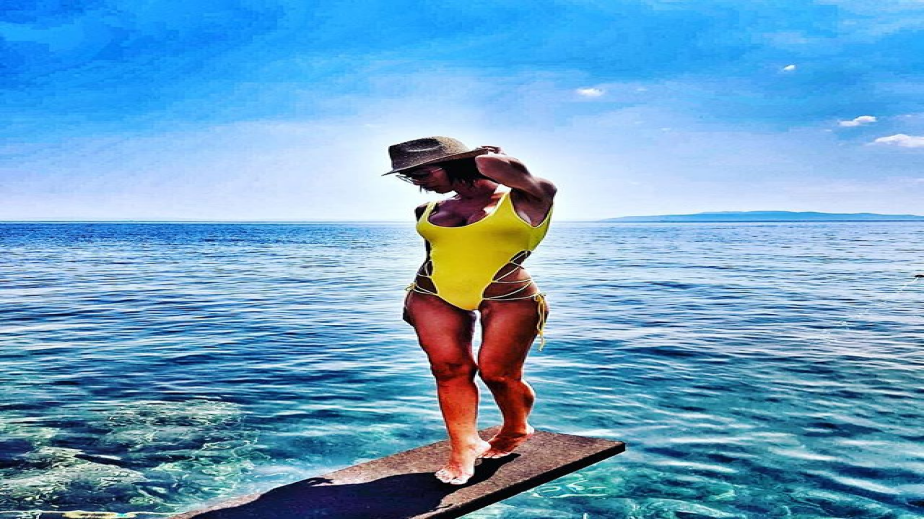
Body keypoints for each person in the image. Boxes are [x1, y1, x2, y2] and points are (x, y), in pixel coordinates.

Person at [384, 136, 557, 485]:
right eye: (409, 175)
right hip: (432, 294)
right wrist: (410, 299)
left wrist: (495, 158)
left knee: (498, 373)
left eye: (423, 172)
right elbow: (435, 256)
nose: (417, 182)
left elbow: (506, 171)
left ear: (459, 163)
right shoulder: (428, 210)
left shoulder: (530, 196)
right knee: (448, 370)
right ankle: (464, 447)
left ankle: (517, 427)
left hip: (509, 295)